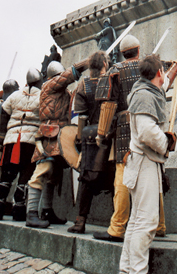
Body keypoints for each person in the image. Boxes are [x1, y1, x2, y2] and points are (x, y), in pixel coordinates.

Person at [92, 35, 177, 243]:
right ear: (138, 50)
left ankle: (117, 228)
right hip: (149, 125)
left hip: (126, 127)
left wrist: (102, 134)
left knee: (123, 178)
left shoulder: (115, 70)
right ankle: (159, 225)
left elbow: (108, 104)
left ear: (123, 52)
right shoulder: (148, 71)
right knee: (155, 176)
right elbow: (165, 83)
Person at [119, 54, 177, 274]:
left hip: (142, 161)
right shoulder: (144, 95)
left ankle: (127, 271)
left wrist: (175, 68)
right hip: (144, 161)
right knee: (146, 222)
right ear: (157, 73)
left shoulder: (147, 89)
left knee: (136, 222)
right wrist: (166, 143)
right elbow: (146, 132)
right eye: (163, 70)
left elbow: (165, 85)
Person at [26, 57, 89, 228]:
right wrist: (85, 63)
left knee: (54, 175)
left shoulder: (64, 93)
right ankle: (31, 213)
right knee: (43, 170)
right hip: (49, 133)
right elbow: (68, 76)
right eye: (60, 76)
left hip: (61, 135)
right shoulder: (49, 85)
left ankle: (47, 211)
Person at [0, 68, 42, 221]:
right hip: (29, 141)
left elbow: (4, 113)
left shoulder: (14, 95)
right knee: (25, 175)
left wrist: (1, 135)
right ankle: (18, 211)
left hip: (11, 140)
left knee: (7, 174)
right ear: (39, 80)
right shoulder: (41, 95)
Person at [67, 51, 109, 234]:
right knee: (114, 177)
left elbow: (82, 117)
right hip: (109, 135)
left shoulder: (83, 85)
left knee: (86, 179)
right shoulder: (110, 81)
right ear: (104, 65)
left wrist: (79, 136)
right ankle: (118, 222)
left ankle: (80, 221)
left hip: (90, 136)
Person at [0, 79, 20, 217]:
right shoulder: (4, 107)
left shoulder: (3, 106)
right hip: (1, 145)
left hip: (5, 145)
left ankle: (2, 204)